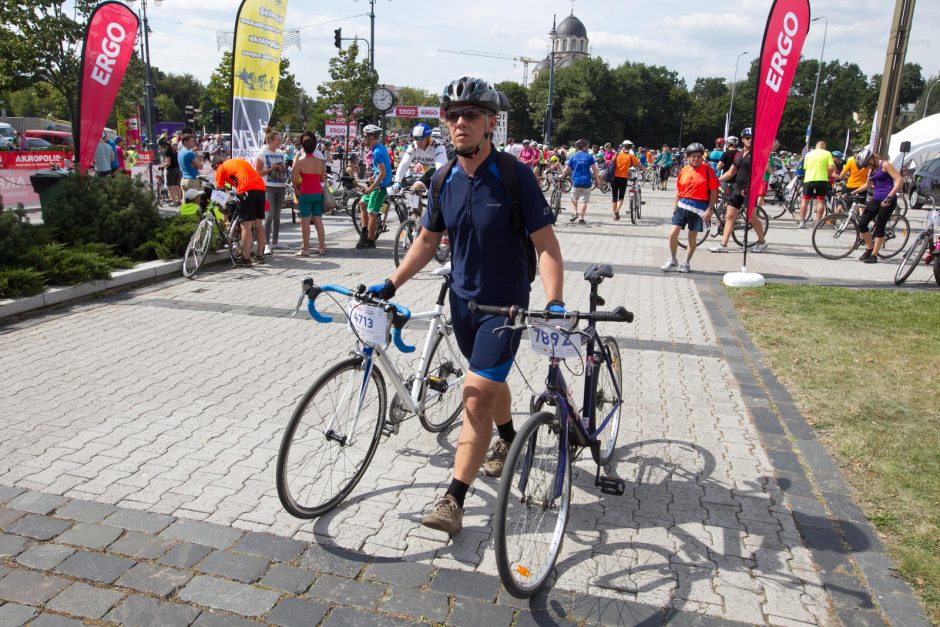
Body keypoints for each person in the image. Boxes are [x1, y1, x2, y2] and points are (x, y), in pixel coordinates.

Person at [370, 77, 563, 536]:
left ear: (490, 123)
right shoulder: (443, 178)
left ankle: (453, 498)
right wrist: (390, 283)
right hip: (463, 304)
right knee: (486, 382)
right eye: (452, 115)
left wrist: (554, 302)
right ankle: (510, 439)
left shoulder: (516, 176)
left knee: (474, 394)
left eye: (471, 114)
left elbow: (548, 248)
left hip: (506, 308)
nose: (460, 122)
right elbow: (426, 240)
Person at [710, 127, 769, 253]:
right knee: (730, 216)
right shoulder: (739, 154)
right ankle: (723, 245)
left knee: (751, 217)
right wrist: (716, 181)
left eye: (753, 138)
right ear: (742, 139)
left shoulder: (758, 154)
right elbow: (731, 172)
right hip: (737, 188)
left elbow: (760, 174)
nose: (750, 140)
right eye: (747, 138)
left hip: (750, 190)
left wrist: (749, 187)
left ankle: (762, 241)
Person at [662, 143, 718, 273]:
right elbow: (679, 189)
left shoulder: (708, 171)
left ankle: (686, 262)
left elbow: (714, 191)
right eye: (693, 157)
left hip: (699, 208)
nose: (696, 159)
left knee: (691, 238)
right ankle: (673, 260)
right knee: (672, 234)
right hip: (682, 205)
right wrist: (675, 204)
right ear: (688, 157)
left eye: (699, 157)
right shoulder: (684, 170)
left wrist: (710, 209)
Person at [213, 156, 267, 266]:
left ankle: (246, 258)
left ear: (216, 165)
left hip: (246, 188)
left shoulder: (221, 168)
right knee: (258, 224)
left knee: (246, 225)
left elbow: (220, 191)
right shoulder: (235, 162)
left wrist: (219, 207)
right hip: (260, 187)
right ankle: (260, 254)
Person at [852, 148, 903, 263]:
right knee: (862, 223)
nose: (866, 167)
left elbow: (899, 180)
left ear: (871, 159)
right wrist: (851, 192)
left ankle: (874, 255)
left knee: (880, 225)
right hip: (876, 199)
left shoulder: (885, 165)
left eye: (866, 164)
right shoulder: (871, 170)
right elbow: (867, 185)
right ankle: (869, 248)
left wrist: (890, 196)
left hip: (888, 199)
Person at [356, 124, 392, 249]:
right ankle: (364, 233)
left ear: (371, 137)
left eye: (365, 136)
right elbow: (379, 171)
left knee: (372, 212)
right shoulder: (378, 148)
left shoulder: (377, 152)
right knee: (362, 203)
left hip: (381, 187)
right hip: (377, 183)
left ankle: (370, 241)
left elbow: (383, 173)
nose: (363, 139)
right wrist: (372, 177)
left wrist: (371, 188)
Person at [291, 136, 327, 256]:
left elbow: (294, 178)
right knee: (318, 220)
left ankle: (306, 248)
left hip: (305, 193)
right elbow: (322, 178)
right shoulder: (320, 162)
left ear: (303, 148)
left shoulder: (300, 161)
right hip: (317, 192)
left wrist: (296, 190)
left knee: (305, 221)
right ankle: (322, 247)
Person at [255, 128, 288, 254]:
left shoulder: (280, 153)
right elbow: (257, 172)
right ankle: (266, 243)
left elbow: (284, 169)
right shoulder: (262, 153)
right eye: (278, 140)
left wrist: (283, 168)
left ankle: (275, 241)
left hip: (280, 185)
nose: (280, 142)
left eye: (280, 139)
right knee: (268, 216)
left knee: (277, 216)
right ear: (270, 141)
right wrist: (270, 169)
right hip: (267, 186)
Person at [393, 123, 448, 191]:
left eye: (420, 139)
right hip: (428, 173)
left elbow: (440, 167)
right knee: (413, 191)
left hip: (442, 174)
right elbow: (404, 163)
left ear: (428, 138)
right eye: (415, 138)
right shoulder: (413, 146)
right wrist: (397, 181)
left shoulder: (438, 146)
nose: (418, 142)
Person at [562, 139, 602, 223]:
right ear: (583, 147)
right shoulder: (589, 156)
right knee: (584, 200)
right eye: (587, 146)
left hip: (576, 182)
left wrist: (561, 176)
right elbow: (595, 170)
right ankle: (581, 218)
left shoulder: (574, 156)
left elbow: (566, 169)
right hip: (587, 182)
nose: (587, 148)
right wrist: (598, 181)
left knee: (574, 197)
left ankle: (575, 212)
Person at [798, 140, 835, 227]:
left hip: (809, 179)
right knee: (820, 201)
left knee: (804, 201)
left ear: (816, 146)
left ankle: (802, 222)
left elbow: (805, 167)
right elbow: (831, 167)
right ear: (824, 146)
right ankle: (817, 222)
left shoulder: (808, 154)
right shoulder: (827, 153)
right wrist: (828, 175)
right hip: (822, 179)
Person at [610, 140, 642, 220]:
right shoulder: (630, 156)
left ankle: (614, 215)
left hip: (614, 178)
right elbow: (638, 164)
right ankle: (617, 210)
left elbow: (611, 162)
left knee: (614, 197)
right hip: (623, 178)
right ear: (630, 148)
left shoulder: (616, 155)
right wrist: (646, 169)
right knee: (621, 197)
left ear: (622, 147)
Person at [160, 139, 182, 206]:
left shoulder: (167, 152)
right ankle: (179, 201)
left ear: (163, 146)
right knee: (176, 186)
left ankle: (174, 202)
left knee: (170, 187)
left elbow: (168, 163)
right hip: (177, 169)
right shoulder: (174, 150)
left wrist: (162, 165)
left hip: (171, 170)